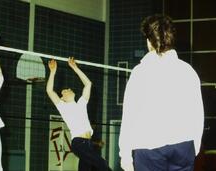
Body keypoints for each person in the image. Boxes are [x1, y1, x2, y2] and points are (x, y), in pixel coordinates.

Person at [119, 14, 204, 171]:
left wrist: (125, 154)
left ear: (148, 42)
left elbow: (130, 114)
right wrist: (195, 145)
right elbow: (197, 112)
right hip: (183, 146)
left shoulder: (140, 72)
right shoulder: (187, 70)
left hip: (149, 145)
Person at [46, 57, 111, 171]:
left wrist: (75, 68)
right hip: (78, 143)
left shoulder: (81, 103)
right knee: (101, 164)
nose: (69, 88)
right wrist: (52, 72)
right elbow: (50, 91)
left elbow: (88, 84)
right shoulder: (63, 106)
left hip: (88, 143)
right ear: (63, 98)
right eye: (65, 90)